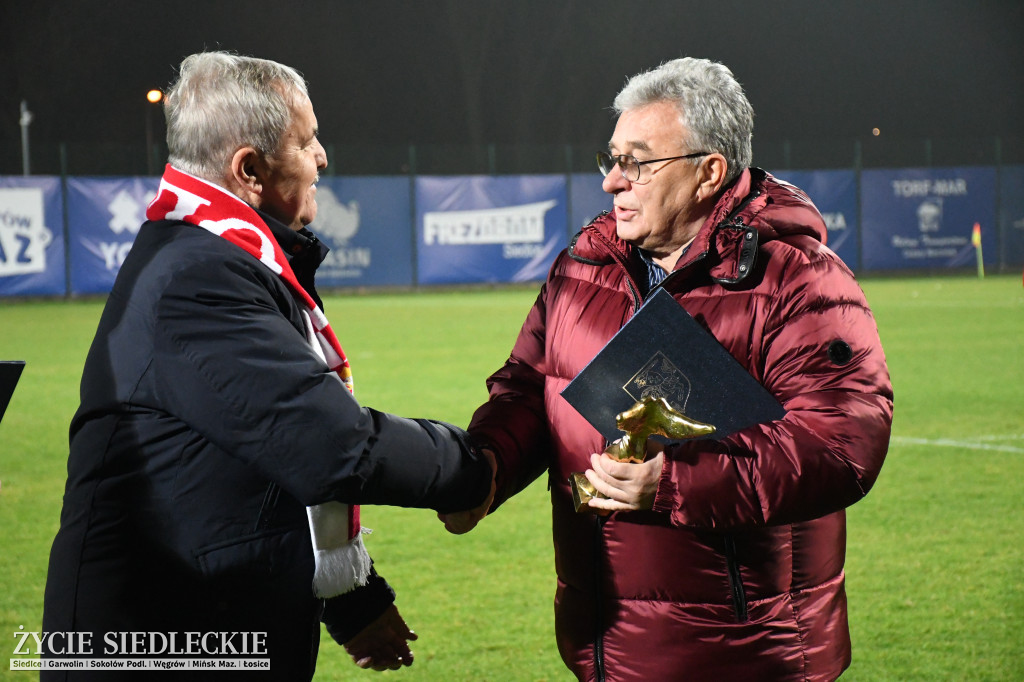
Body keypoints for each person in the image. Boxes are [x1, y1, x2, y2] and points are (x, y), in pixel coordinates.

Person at [42, 52, 494, 680]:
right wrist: (471, 468)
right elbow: (330, 443)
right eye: (306, 141)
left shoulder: (206, 256)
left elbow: (259, 454)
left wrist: (351, 594)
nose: (322, 157)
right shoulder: (196, 277)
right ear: (249, 168)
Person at [442, 57, 893, 681]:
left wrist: (676, 483)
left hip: (746, 652)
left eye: (638, 161)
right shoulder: (582, 267)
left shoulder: (799, 279)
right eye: (612, 158)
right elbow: (529, 387)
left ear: (708, 172)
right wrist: (487, 468)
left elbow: (841, 446)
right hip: (603, 641)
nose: (612, 182)